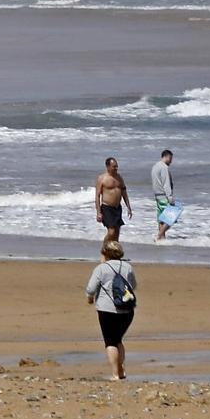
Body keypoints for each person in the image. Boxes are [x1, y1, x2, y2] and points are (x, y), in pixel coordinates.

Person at [85, 240, 137, 381]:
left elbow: (91, 289)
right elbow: (133, 285)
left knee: (110, 342)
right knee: (118, 339)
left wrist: (90, 298)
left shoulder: (101, 268)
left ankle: (115, 374)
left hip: (107, 310)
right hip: (127, 309)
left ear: (105, 254)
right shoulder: (128, 267)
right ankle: (121, 369)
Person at [95, 157, 132, 242]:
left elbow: (124, 193)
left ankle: (113, 250)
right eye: (114, 166)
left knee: (117, 233)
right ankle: (104, 247)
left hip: (117, 208)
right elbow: (97, 196)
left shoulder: (119, 177)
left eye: (116, 166)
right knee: (111, 232)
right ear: (108, 167)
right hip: (107, 208)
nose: (116, 168)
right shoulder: (102, 178)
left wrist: (128, 207)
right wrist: (98, 212)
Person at [151, 149, 176, 241]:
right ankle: (158, 236)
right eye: (170, 159)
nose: (171, 161)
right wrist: (170, 197)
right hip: (164, 196)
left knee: (161, 220)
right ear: (166, 157)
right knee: (171, 218)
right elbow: (166, 184)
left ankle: (162, 239)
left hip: (157, 196)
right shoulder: (164, 167)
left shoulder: (155, 166)